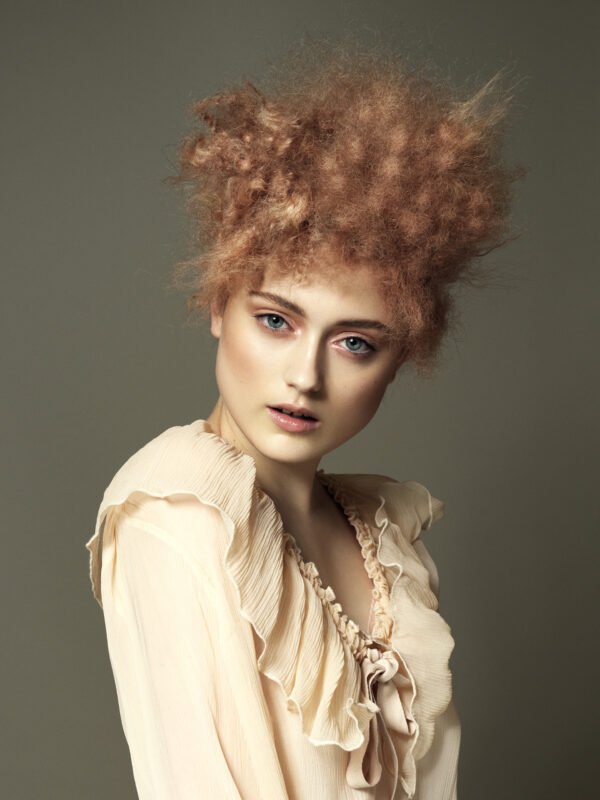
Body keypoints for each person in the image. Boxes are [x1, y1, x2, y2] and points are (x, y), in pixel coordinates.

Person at [85, 40, 520, 799]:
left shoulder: (386, 540)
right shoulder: (175, 513)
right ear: (218, 304)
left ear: (400, 358)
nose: (305, 376)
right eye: (276, 321)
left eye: (354, 343)